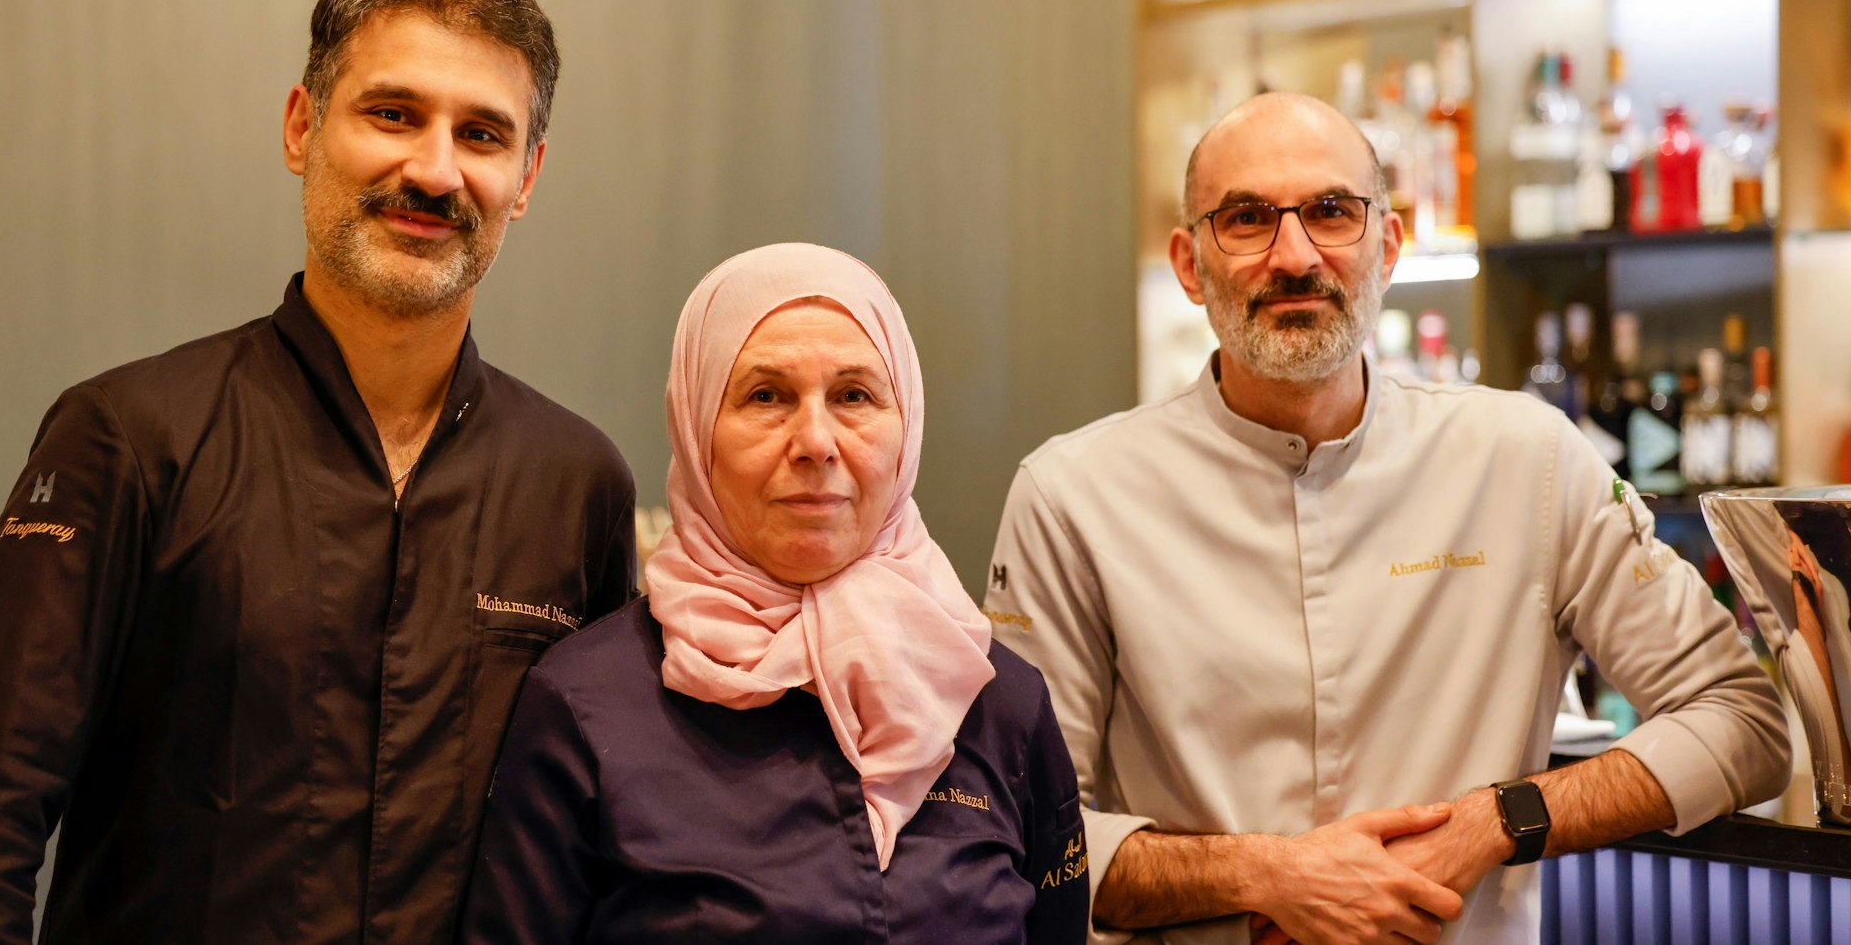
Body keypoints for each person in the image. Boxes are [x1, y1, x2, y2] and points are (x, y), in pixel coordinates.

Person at [0, 0, 637, 943]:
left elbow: (597, 836)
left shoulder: (575, 486)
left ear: (526, 178)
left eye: (482, 134)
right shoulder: (126, 437)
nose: (433, 168)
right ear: (301, 128)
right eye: (391, 114)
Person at [982, 92, 1790, 945]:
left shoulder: (1526, 460)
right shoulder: (1074, 496)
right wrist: (1270, 876)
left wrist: (1500, 819)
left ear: (1390, 245)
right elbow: (1029, 834)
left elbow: (1742, 718)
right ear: (1189, 264)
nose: (1294, 255)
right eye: (1247, 219)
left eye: (1332, 211)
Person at [460, 242, 1089, 943]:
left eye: (854, 395)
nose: (815, 441)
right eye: (766, 395)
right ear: (699, 432)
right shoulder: (584, 707)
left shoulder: (1000, 701)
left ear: (906, 423)